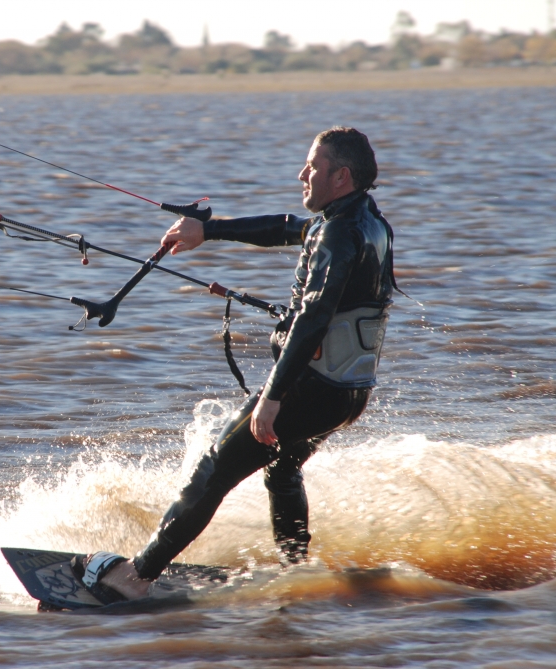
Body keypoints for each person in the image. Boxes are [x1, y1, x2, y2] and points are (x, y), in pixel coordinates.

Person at [76, 127, 398, 603]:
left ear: (341, 176)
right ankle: (297, 569)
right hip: (347, 392)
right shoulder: (366, 220)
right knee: (283, 469)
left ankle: (134, 578)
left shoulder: (339, 231)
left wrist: (272, 398)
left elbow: (313, 319)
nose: (302, 174)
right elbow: (287, 228)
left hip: (311, 388)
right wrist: (209, 229)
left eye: (313, 166)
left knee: (213, 470)